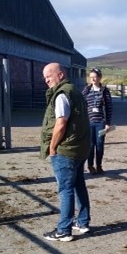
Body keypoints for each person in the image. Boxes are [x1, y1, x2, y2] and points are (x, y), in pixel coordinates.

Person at [40, 63, 91, 242]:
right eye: (45, 77)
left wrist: (52, 147)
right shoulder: (75, 91)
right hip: (80, 148)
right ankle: (83, 222)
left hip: (66, 150)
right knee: (78, 185)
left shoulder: (62, 94)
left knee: (65, 189)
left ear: (60, 75)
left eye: (49, 76)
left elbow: (61, 124)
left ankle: (64, 230)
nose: (46, 80)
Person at [82, 67, 112, 174]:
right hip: (89, 122)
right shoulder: (86, 90)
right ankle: (90, 166)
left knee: (99, 144)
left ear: (100, 78)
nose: (93, 79)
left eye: (95, 77)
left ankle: (99, 165)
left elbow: (109, 108)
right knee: (90, 145)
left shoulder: (105, 91)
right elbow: (81, 105)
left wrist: (108, 123)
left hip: (101, 122)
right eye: (91, 77)